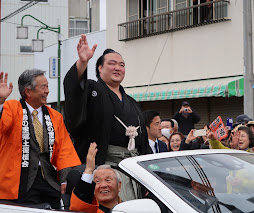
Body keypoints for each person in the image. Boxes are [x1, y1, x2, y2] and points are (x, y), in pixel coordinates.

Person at [64, 34, 151, 165]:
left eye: (121, 65)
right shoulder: (92, 89)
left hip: (133, 163)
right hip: (103, 162)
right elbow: (74, 89)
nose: (118, 68)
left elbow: (143, 140)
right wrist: (83, 62)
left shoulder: (132, 102)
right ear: (100, 68)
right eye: (112, 64)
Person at [0, 71, 81, 209]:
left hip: (48, 179)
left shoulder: (56, 116)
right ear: (28, 91)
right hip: (18, 180)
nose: (47, 91)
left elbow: (64, 150)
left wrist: (64, 179)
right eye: (43, 87)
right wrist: (0, 101)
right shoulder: (11, 108)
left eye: (47, 86)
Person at [70, 143, 122, 213]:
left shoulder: (130, 207)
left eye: (108, 180)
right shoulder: (89, 210)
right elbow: (79, 207)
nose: (103, 185)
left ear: (119, 186)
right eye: (98, 181)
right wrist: (89, 170)